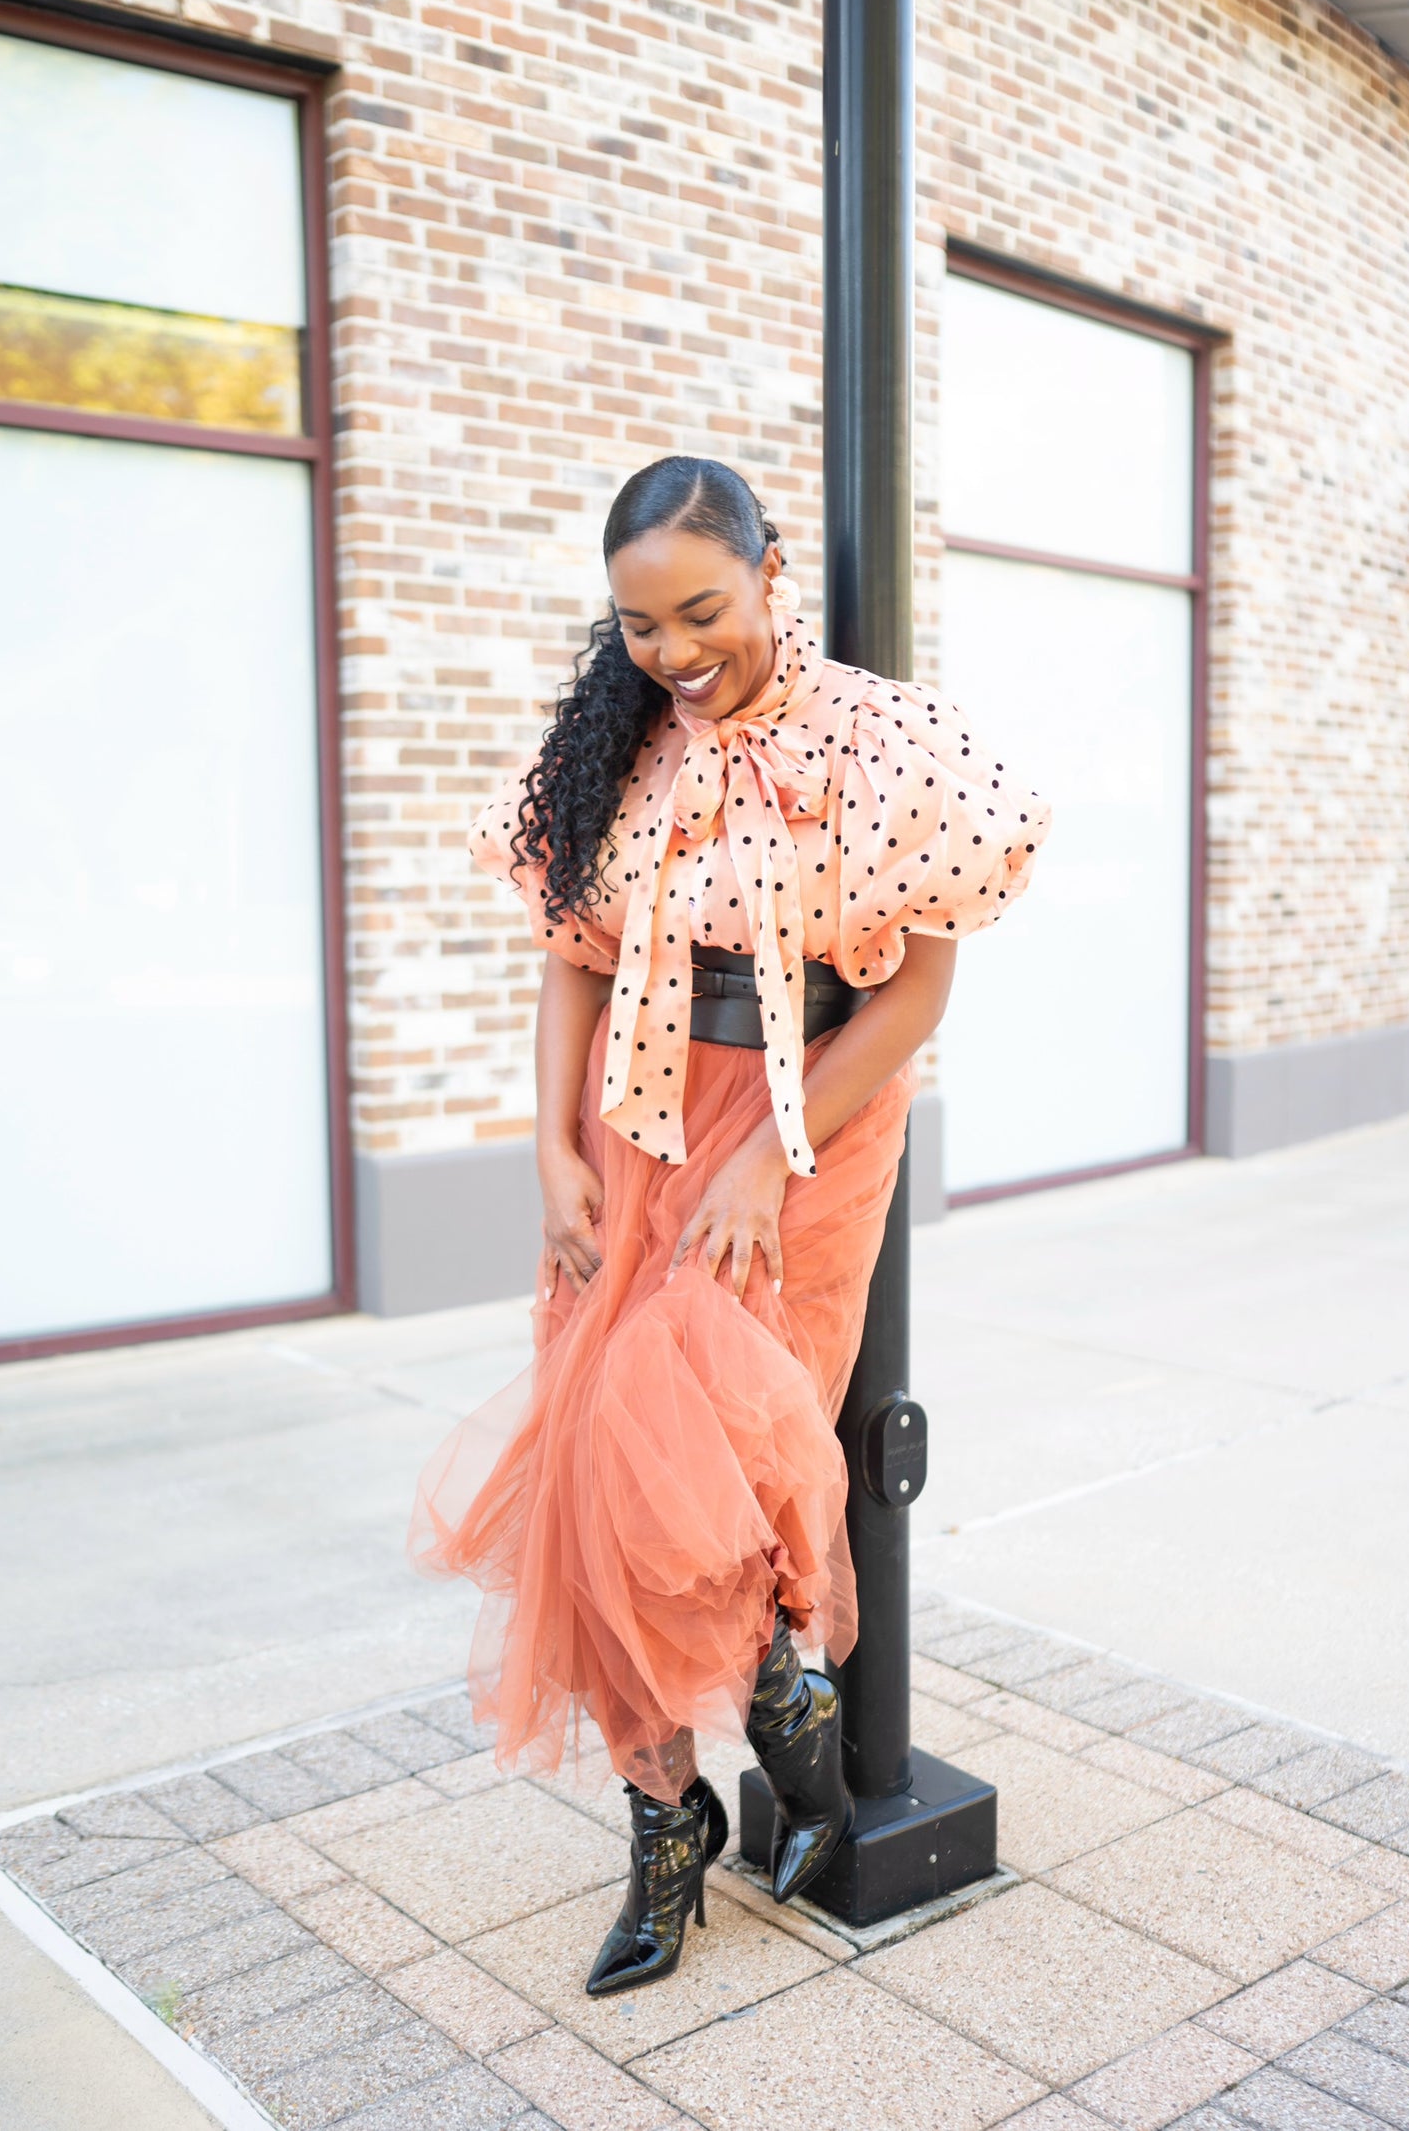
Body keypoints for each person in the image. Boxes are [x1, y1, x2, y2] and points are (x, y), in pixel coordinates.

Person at [411, 455, 1050, 1996]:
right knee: (593, 1471)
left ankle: (803, 1759)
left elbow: (917, 987)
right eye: (636, 625)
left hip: (806, 1129)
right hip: (628, 1130)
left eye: (699, 610)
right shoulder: (618, 747)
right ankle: (666, 1821)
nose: (672, 651)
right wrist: (545, 1152)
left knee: (717, 1463)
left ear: (768, 571)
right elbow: (573, 952)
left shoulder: (880, 740)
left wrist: (773, 1148)